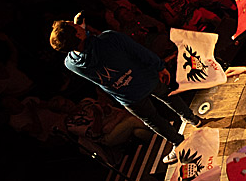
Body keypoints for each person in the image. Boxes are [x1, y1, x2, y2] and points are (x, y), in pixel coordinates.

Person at [48, 18, 203, 164]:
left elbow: (82, 47)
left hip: (128, 95)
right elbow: (138, 51)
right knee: (167, 96)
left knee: (152, 119)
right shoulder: (108, 38)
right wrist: (160, 66)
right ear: (78, 33)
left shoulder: (71, 64)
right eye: (74, 26)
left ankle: (178, 142)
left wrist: (78, 31)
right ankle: (192, 119)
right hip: (145, 78)